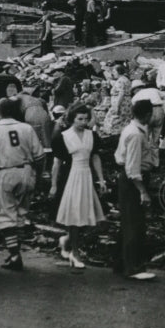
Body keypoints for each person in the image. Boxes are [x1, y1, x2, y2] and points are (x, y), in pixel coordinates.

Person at [0, 97, 45, 271]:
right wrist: (37, 177)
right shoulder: (26, 127)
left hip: (6, 171)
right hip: (27, 170)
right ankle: (15, 252)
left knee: (6, 214)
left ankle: (15, 255)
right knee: (21, 214)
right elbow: (40, 156)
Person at [50, 104, 106, 270]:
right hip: (71, 177)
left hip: (87, 176)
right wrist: (53, 185)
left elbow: (95, 157)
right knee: (75, 215)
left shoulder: (92, 135)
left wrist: (101, 179)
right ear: (71, 119)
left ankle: (66, 240)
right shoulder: (63, 136)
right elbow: (57, 162)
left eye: (86, 119)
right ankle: (75, 253)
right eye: (79, 119)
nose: (83, 122)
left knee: (89, 216)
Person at [114, 99, 157, 280]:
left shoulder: (137, 130)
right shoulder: (136, 134)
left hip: (133, 177)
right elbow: (132, 168)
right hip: (133, 180)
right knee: (134, 223)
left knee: (130, 221)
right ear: (147, 114)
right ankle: (132, 267)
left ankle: (121, 263)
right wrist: (143, 191)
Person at [132, 68, 165, 167]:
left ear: (136, 89)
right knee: (155, 140)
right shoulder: (153, 90)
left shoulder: (135, 97)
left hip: (146, 113)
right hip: (159, 110)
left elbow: (135, 112)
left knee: (145, 138)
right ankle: (156, 163)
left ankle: (145, 162)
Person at [100, 61, 132, 138]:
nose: (113, 73)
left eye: (114, 71)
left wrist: (117, 106)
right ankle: (122, 134)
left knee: (112, 118)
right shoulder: (125, 79)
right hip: (126, 102)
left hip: (121, 103)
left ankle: (113, 134)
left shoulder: (121, 80)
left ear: (118, 71)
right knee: (124, 120)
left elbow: (121, 93)